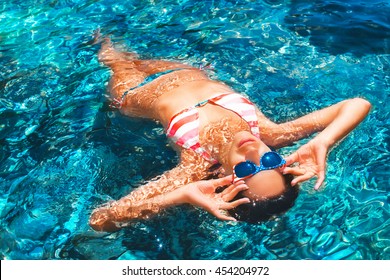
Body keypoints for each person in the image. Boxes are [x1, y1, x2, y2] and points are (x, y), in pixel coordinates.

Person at [89, 38, 371, 232]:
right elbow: (357, 104)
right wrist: (323, 141)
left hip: (132, 91)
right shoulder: (271, 133)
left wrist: (181, 195)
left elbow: (100, 219)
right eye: (271, 161)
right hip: (185, 71)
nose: (255, 152)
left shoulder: (194, 165)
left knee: (111, 52)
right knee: (132, 50)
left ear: (223, 179)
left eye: (247, 169)